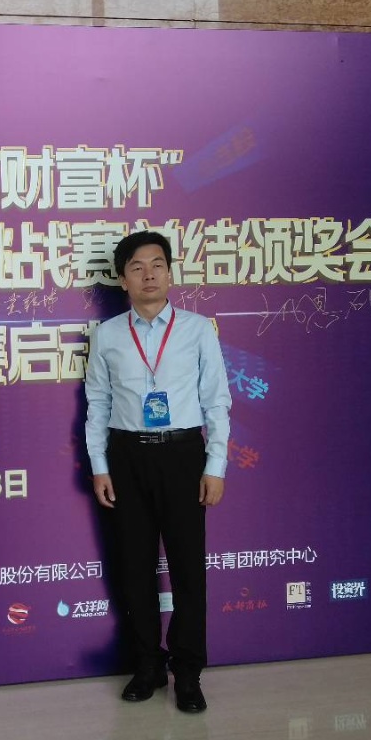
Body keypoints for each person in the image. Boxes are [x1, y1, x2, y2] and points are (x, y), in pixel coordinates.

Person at [84, 230, 231, 713]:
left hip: (183, 455)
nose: (148, 275)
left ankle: (188, 672)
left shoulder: (197, 330)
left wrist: (215, 465)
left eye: (157, 265)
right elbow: (97, 404)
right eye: (137, 267)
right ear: (122, 279)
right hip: (127, 457)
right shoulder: (107, 335)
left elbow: (217, 401)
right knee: (135, 568)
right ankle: (147, 664)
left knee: (188, 570)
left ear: (170, 273)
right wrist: (101, 466)